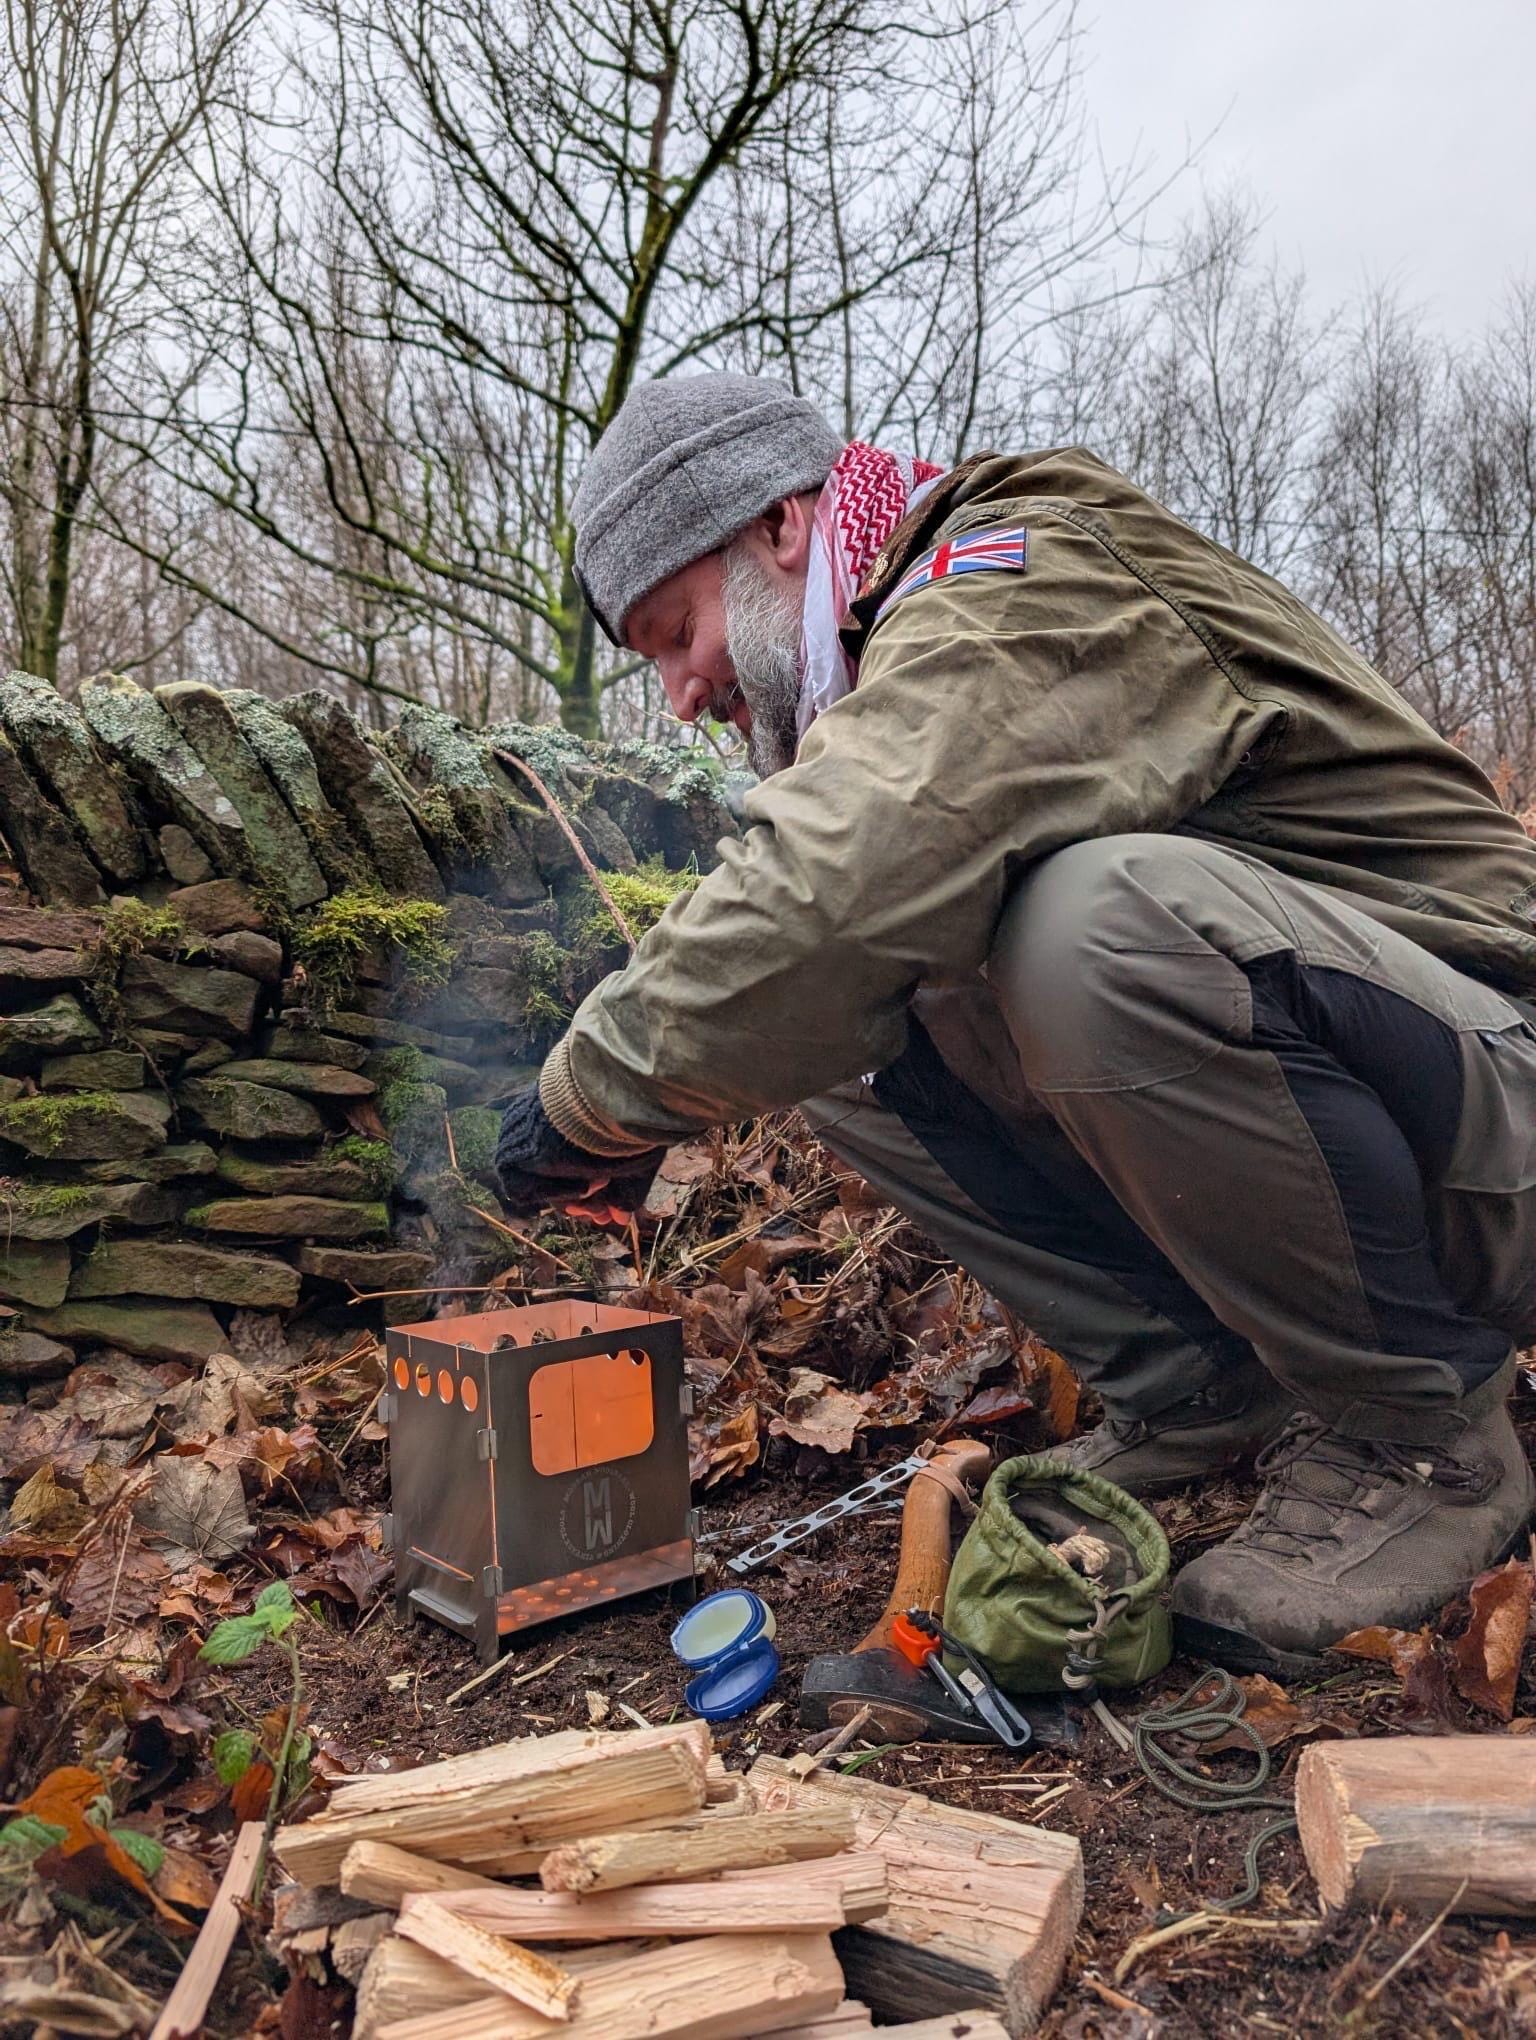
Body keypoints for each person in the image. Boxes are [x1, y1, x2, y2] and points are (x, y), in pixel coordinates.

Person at [494, 371, 1536, 1672]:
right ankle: (1207, 1386)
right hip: (1408, 1096)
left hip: (1499, 1081)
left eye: (673, 631)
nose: (680, 695)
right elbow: (835, 929)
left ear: (777, 526)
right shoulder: (906, 652)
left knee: (1085, 929)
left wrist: (582, 1093)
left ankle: (1415, 1432)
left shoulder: (1016, 567)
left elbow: (850, 872)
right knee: (854, 1025)